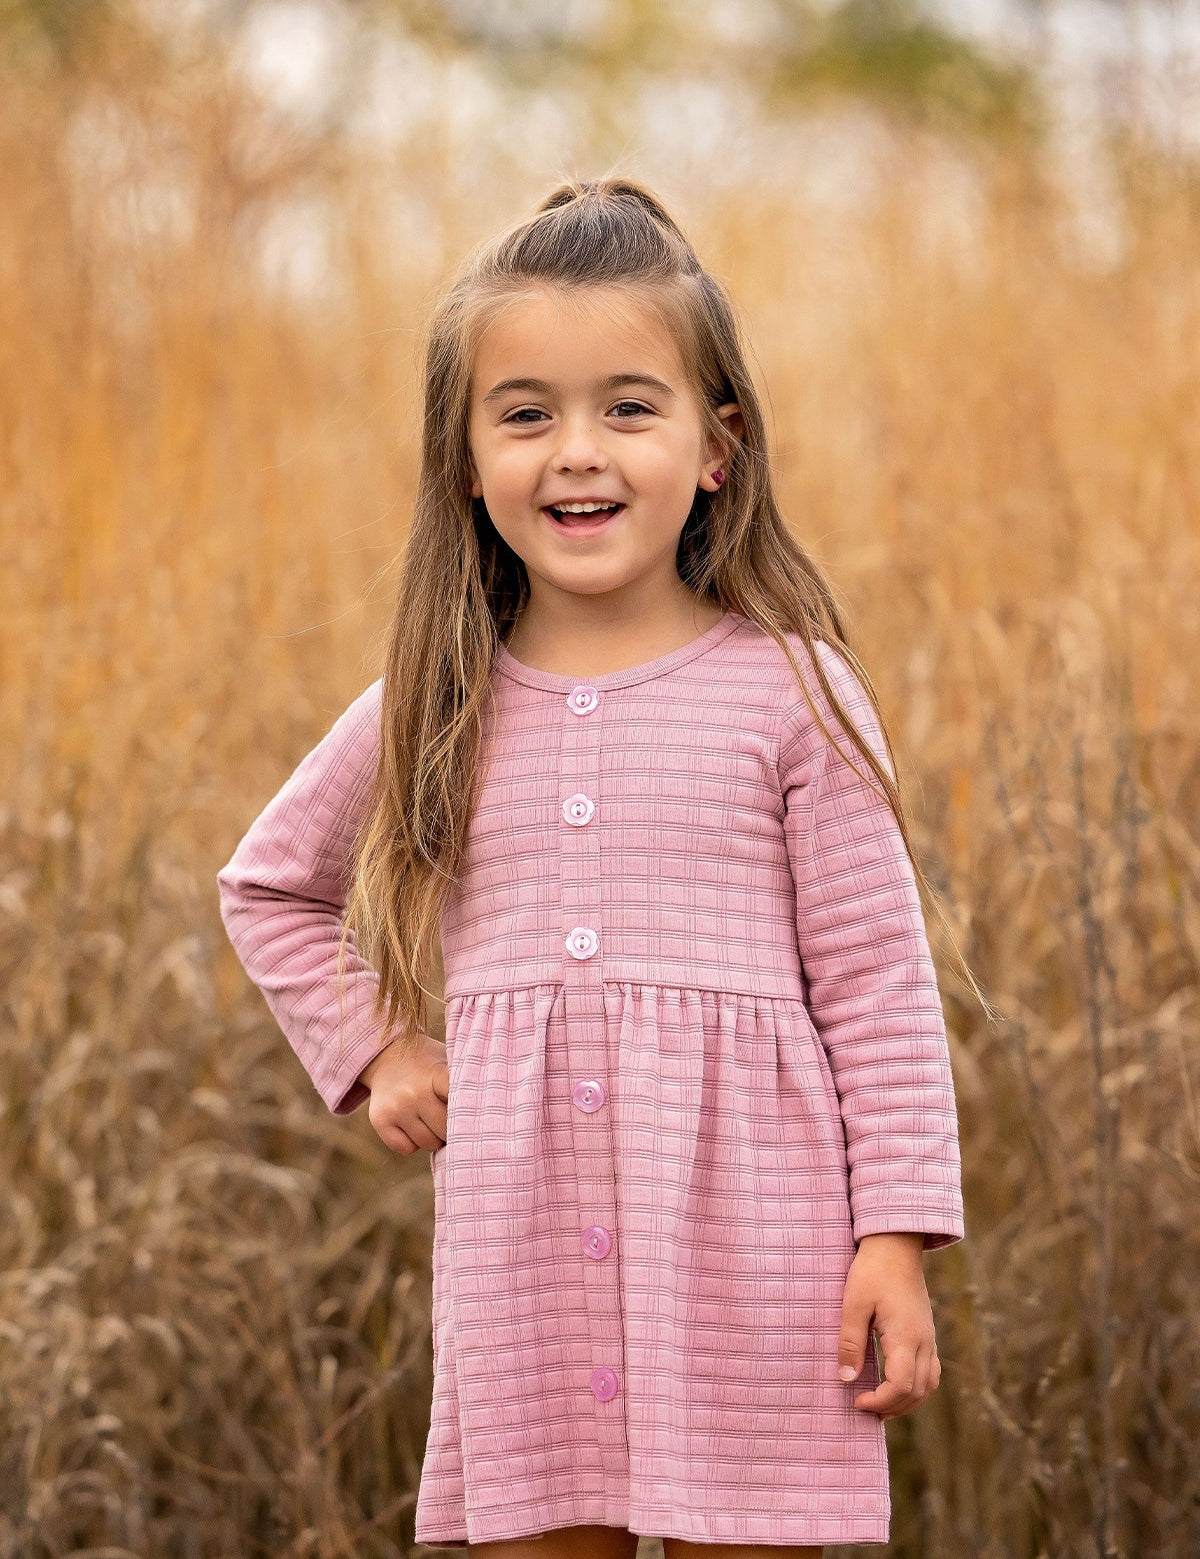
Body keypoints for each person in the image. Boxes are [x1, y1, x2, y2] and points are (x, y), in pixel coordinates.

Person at [216, 175, 974, 1559]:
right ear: (464, 461)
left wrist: (898, 1242)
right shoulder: (429, 694)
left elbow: (876, 981)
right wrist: (379, 1047)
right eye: (526, 414)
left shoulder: (791, 690)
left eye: (629, 407)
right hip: (524, 1260)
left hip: (760, 1259)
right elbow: (269, 885)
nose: (578, 451)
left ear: (715, 447)